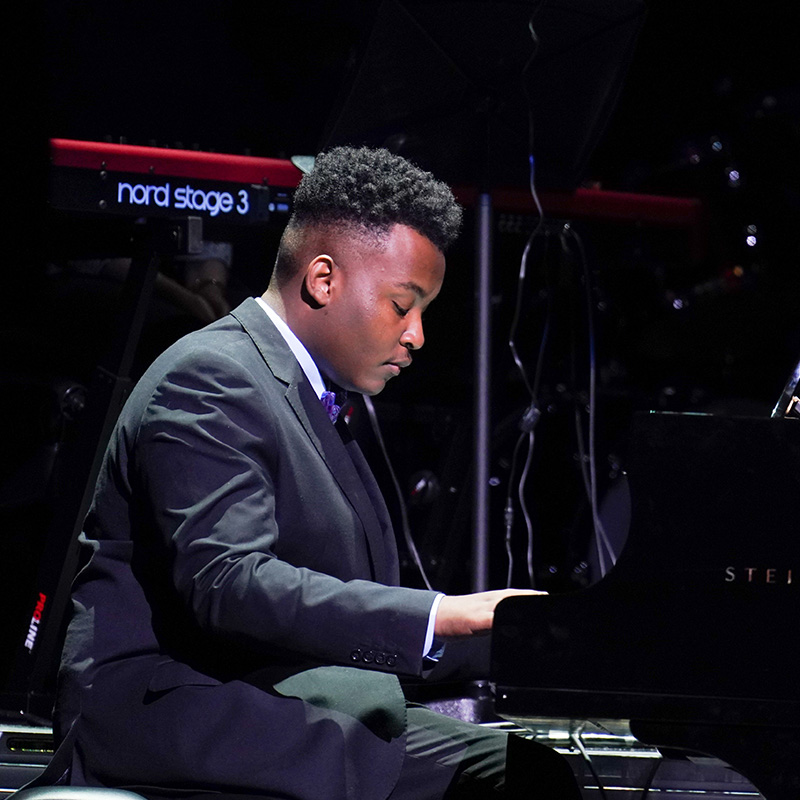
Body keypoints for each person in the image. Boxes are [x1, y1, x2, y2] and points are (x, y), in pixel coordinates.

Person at [51, 146, 581, 799]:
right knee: (520, 781)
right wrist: (446, 616)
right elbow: (228, 583)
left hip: (271, 697)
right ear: (324, 280)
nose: (417, 336)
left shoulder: (308, 396)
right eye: (402, 304)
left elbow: (340, 608)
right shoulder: (214, 376)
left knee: (531, 769)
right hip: (174, 710)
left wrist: (535, 642)